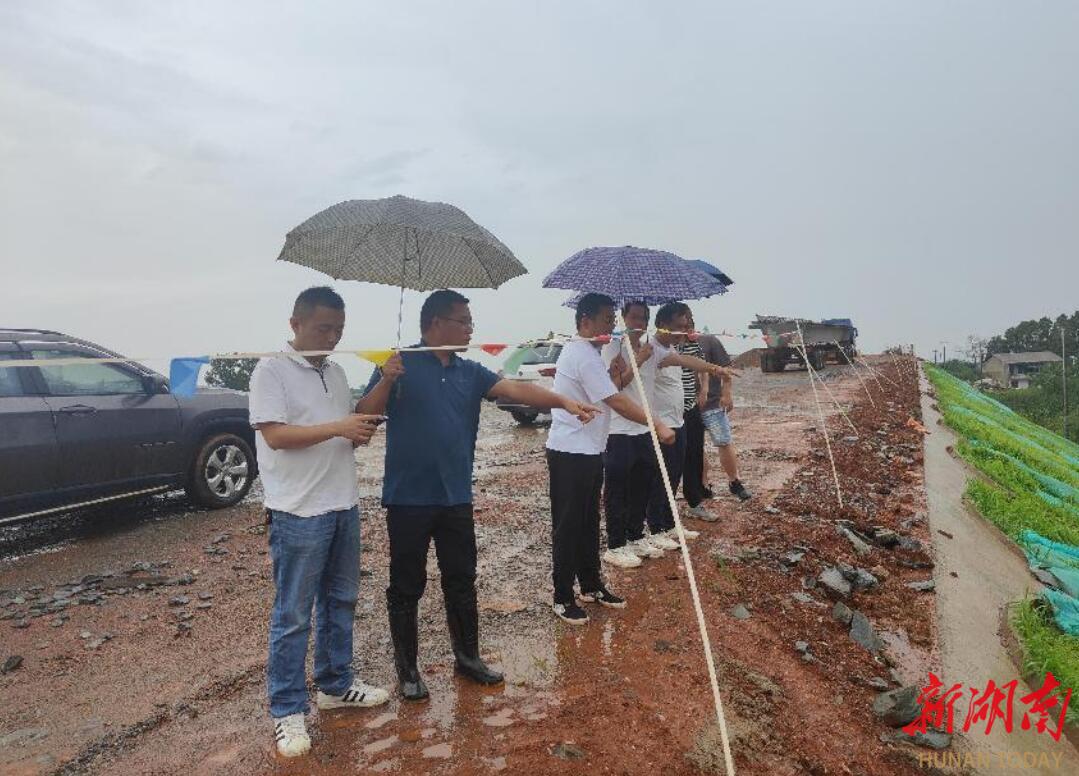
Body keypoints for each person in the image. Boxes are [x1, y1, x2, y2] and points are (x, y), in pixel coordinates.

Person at [358, 289, 599, 701]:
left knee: (461, 579)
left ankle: (467, 658)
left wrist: (562, 400)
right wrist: (386, 378)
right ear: (435, 323)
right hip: (407, 499)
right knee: (406, 585)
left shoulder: (470, 372)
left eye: (470, 321)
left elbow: (518, 390)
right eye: (463, 321)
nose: (471, 328)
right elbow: (365, 415)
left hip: (455, 497)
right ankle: (408, 670)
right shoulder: (398, 364)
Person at [249, 286, 390, 759]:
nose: (331, 338)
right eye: (323, 328)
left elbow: (344, 432)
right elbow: (275, 435)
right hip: (297, 511)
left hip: (342, 503)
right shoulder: (270, 370)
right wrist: (338, 428)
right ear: (296, 323)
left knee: (342, 600)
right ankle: (287, 710)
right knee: (293, 615)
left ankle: (334, 685)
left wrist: (359, 421)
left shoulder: (336, 370)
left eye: (338, 330)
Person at [546, 293, 676, 625]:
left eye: (612, 320)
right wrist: (656, 422)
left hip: (589, 449)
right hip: (569, 452)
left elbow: (607, 391)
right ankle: (562, 597)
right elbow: (616, 401)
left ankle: (590, 585)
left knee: (588, 522)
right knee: (568, 525)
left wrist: (615, 373)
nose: (611, 326)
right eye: (606, 320)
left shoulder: (590, 355)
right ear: (585, 322)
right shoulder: (581, 354)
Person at [645, 303, 738, 544]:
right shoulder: (652, 349)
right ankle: (657, 528)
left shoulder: (670, 349)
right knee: (661, 477)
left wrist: (716, 369)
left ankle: (669, 524)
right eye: (679, 327)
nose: (684, 331)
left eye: (686, 326)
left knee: (676, 473)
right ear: (663, 326)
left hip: (680, 419)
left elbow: (689, 361)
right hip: (660, 424)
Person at [600, 301, 666, 568]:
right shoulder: (613, 347)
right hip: (619, 428)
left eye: (645, 318)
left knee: (642, 484)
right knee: (618, 489)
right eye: (636, 317)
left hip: (643, 427)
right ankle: (615, 544)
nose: (640, 322)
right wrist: (637, 361)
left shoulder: (647, 347)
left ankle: (635, 535)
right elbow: (611, 387)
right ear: (623, 318)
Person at [696, 333, 753, 502]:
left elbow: (727, 370)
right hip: (687, 407)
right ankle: (704, 484)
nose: (684, 328)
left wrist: (727, 393)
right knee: (696, 448)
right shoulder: (673, 344)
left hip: (713, 404)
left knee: (723, 442)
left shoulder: (709, 341)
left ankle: (735, 481)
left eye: (687, 323)